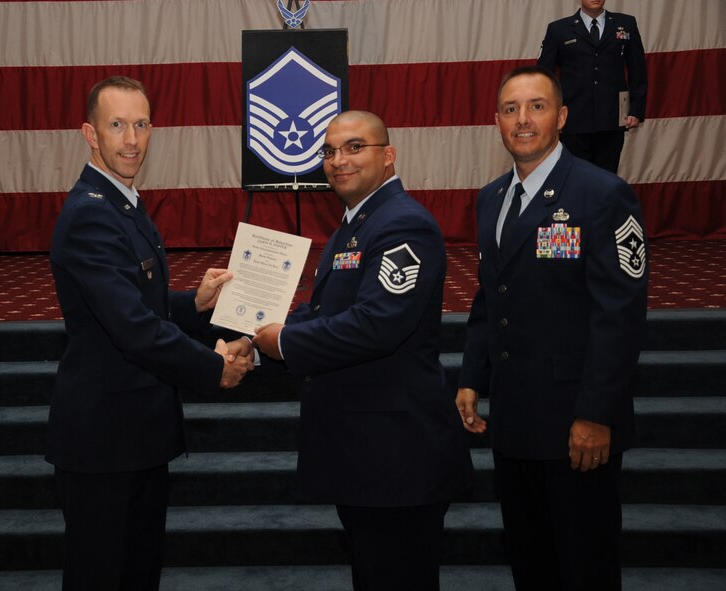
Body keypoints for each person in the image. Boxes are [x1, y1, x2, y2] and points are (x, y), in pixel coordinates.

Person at [252, 110, 473, 591]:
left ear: (388, 156)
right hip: (369, 452)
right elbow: (327, 314)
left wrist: (283, 341)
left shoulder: (403, 225)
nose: (338, 160)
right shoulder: (355, 226)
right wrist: (256, 340)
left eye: (355, 147)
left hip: (399, 456)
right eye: (329, 151)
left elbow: (377, 325)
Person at [47, 76, 253, 591]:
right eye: (117, 125)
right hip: (104, 442)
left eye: (140, 124)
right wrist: (214, 368)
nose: (132, 139)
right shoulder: (92, 215)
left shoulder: (124, 204)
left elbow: (139, 305)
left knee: (138, 575)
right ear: (90, 134)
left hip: (135, 435)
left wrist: (195, 304)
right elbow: (134, 330)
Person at [456, 66, 648, 590]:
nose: (523, 119)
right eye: (511, 109)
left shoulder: (602, 194)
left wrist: (596, 414)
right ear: (496, 121)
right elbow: (491, 294)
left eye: (537, 106)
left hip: (576, 426)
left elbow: (620, 317)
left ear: (561, 117)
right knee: (531, 561)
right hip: (515, 420)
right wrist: (474, 375)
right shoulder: (491, 198)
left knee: (584, 567)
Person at [538, 0, 647, 174]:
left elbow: (638, 70)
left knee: (606, 181)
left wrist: (635, 110)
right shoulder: (559, 29)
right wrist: (549, 113)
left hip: (611, 119)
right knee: (574, 179)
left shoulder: (626, 24)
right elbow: (543, 77)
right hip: (573, 120)